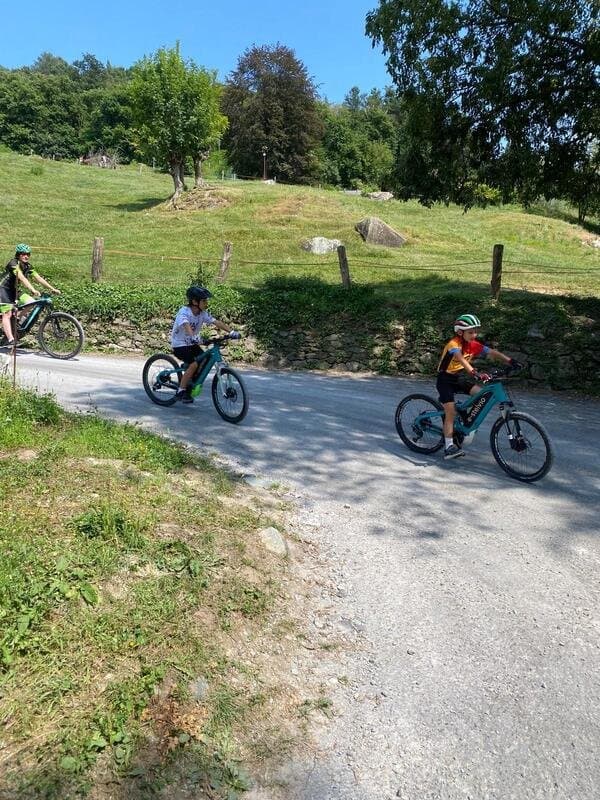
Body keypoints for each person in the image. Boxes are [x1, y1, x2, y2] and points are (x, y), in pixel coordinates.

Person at [436, 313, 521, 460]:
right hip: (444, 380)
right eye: (470, 332)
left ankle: (463, 415)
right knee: (450, 413)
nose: (474, 334)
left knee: (482, 394)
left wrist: (511, 361)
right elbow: (461, 359)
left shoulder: (473, 345)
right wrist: (475, 373)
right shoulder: (453, 345)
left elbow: (492, 352)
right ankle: (449, 446)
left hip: (457, 378)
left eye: (476, 331)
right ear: (460, 332)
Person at [171, 285, 240, 403]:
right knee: (194, 365)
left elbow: (216, 322)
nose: (206, 303)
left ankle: (189, 383)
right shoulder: (184, 312)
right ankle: (181, 390)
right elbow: (186, 326)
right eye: (204, 300)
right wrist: (194, 337)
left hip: (191, 344)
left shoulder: (202, 313)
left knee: (205, 359)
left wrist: (231, 332)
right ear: (194, 301)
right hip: (180, 345)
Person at [0, 244, 61, 344]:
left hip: (14, 290)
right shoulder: (13, 263)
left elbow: (38, 278)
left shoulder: (27, 266)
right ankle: (10, 339)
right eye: (24, 254)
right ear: (18, 255)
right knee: (7, 313)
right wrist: (32, 290)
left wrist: (52, 288)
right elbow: (22, 278)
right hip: (3, 290)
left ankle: (16, 317)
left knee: (32, 302)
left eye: (28, 254)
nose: (26, 256)